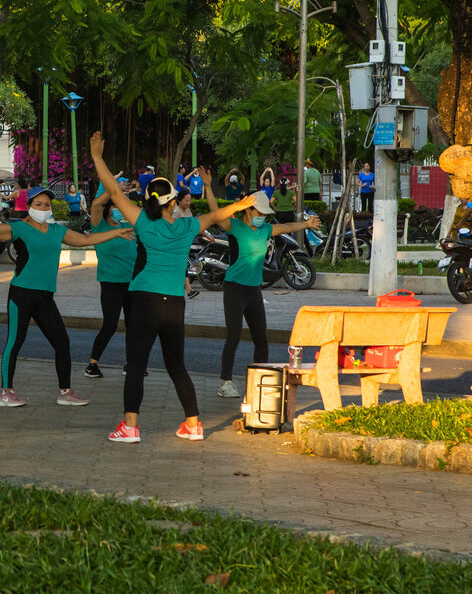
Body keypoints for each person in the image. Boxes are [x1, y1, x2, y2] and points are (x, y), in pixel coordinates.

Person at [90, 132, 255, 444]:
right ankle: (193, 424)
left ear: (150, 200)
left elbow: (112, 190)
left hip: (144, 300)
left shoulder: (142, 222)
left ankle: (130, 427)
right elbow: (218, 215)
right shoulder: (186, 226)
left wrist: (98, 157)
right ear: (172, 202)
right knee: (177, 366)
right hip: (174, 303)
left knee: (136, 366)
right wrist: (241, 203)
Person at [0, 189, 132, 407]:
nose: (43, 209)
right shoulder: (19, 229)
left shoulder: (56, 231)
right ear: (29, 207)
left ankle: (65, 391)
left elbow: (86, 239)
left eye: (47, 205)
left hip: (45, 297)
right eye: (38, 204)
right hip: (22, 294)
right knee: (15, 342)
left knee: (62, 342)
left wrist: (115, 232)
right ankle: (6, 393)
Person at [203, 172, 320, 397]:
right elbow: (215, 215)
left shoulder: (265, 229)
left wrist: (306, 223)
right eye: (259, 212)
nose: (262, 218)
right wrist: (208, 187)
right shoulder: (235, 226)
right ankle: (225, 383)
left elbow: (285, 227)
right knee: (233, 336)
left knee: (261, 339)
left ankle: (260, 381)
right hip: (234, 288)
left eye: (265, 215)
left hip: (254, 289)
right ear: (248, 210)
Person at [84, 186, 138, 379]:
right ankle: (92, 364)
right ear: (109, 208)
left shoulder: (130, 226)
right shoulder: (100, 227)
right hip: (110, 283)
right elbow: (96, 203)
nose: (120, 209)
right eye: (116, 205)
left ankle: (131, 364)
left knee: (134, 326)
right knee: (110, 325)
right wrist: (114, 188)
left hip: (132, 283)